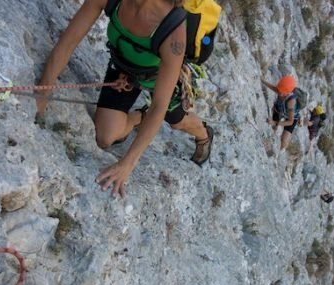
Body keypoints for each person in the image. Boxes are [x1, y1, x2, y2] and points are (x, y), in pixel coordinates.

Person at [35, 0, 213, 198]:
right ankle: (140, 117)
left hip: (159, 80)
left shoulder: (173, 32)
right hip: (124, 71)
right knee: (105, 137)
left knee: (176, 121)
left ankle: (203, 134)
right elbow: (69, 41)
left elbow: (159, 105)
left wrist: (127, 163)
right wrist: (44, 90)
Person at [261, 75, 300, 150]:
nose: (279, 93)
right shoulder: (281, 90)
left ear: (288, 92)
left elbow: (290, 122)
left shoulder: (291, 101)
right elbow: (274, 88)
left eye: (282, 92)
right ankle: (272, 135)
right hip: (279, 109)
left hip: (291, 118)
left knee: (284, 140)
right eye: (279, 90)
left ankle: (281, 150)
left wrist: (274, 122)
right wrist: (263, 81)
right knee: (273, 126)